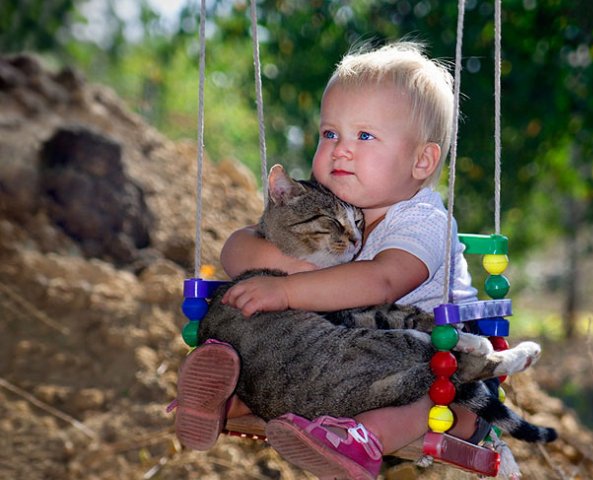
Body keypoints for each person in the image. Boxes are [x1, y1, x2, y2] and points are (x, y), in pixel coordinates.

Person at [174, 42, 491, 478]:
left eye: (364, 136)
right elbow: (237, 247)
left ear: (421, 160)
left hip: (431, 350)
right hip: (341, 355)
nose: (341, 149)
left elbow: (381, 282)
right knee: (265, 335)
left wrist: (286, 289)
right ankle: (225, 394)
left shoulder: (424, 221)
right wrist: (281, 268)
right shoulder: (330, 204)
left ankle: (361, 441)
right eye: (330, 134)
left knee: (432, 397)